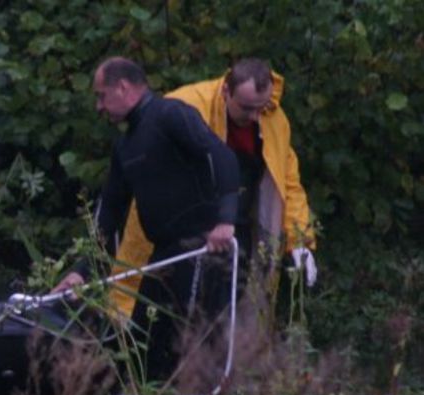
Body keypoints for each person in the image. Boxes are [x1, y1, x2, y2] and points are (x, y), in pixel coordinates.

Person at [53, 57, 240, 379]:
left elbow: (221, 156)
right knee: (142, 344)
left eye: (101, 95)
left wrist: (225, 220)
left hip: (202, 248)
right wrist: (81, 272)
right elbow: (109, 210)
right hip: (165, 253)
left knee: (190, 339)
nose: (99, 107)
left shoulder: (171, 114)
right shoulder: (126, 146)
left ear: (123, 87)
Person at [108, 58, 317, 318]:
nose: (254, 117)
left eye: (260, 109)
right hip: (184, 234)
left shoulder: (273, 118)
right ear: (226, 92)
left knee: (230, 314)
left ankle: (227, 355)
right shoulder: (185, 106)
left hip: (240, 231)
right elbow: (152, 190)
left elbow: (288, 183)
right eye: (246, 108)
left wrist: (299, 240)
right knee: (169, 317)